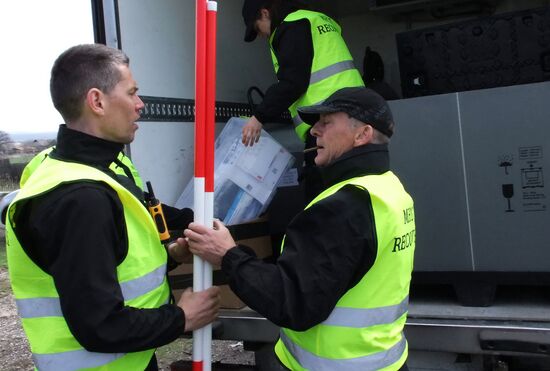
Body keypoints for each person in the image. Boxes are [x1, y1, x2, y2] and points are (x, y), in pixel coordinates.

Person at [4, 44, 220, 371]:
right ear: (97, 101)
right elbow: (99, 325)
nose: (140, 104)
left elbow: (112, 264)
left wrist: (171, 256)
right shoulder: (80, 199)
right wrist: (182, 318)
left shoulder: (85, 171)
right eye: (132, 93)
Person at [184, 87, 416, 371]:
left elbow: (292, 302)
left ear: (362, 134)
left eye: (326, 122)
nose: (313, 131)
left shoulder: (342, 207)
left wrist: (228, 255)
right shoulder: (389, 188)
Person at [241, 0, 365, 202]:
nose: (263, 35)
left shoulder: (292, 26)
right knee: (354, 192)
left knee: (322, 201)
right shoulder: (319, 20)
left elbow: (293, 81)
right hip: (357, 120)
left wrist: (258, 117)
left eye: (258, 28)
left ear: (265, 13)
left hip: (327, 123)